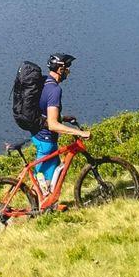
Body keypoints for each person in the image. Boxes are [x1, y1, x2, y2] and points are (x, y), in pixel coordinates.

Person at [34, 53, 90, 198]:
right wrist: (79, 133)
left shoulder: (45, 82)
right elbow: (53, 125)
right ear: (60, 69)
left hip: (38, 133)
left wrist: (62, 118)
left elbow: (44, 111)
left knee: (51, 179)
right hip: (46, 140)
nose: (69, 71)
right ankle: (40, 207)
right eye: (67, 67)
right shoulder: (55, 90)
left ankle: (45, 204)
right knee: (45, 184)